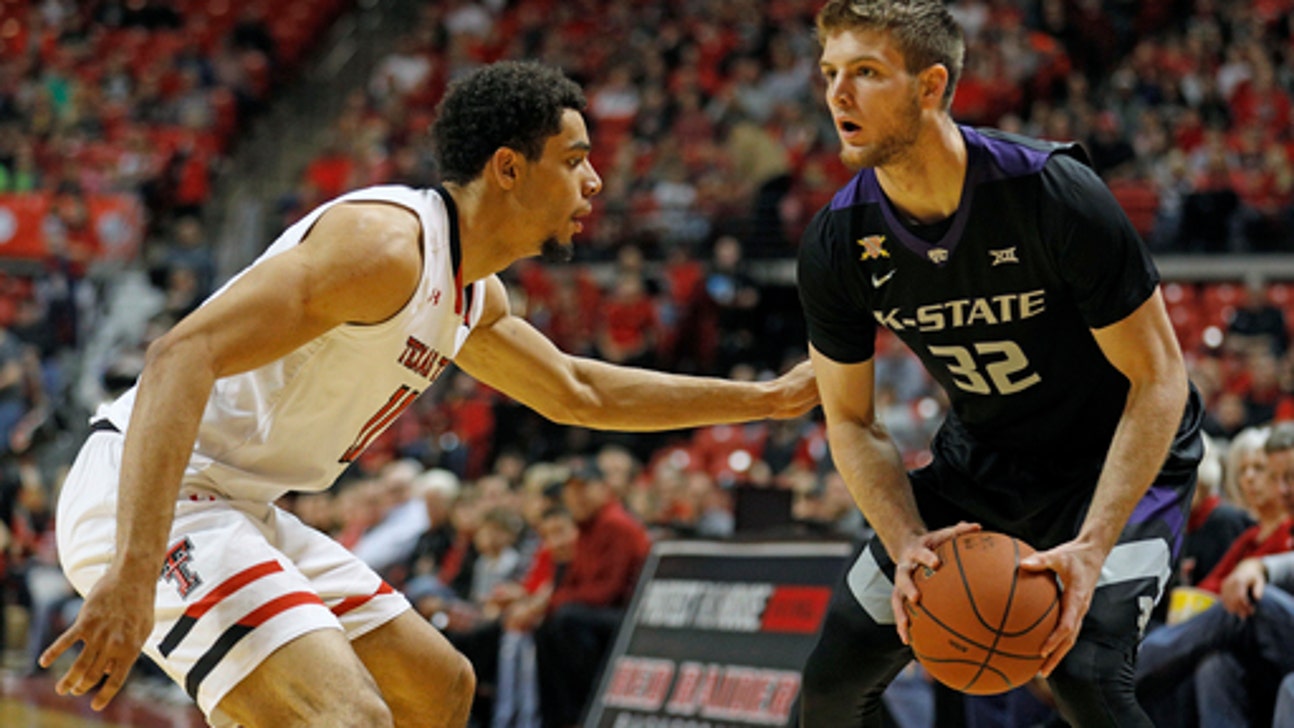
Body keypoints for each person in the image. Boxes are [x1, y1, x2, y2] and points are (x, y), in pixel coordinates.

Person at [41, 61, 818, 728]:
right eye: (575, 159)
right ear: (510, 169)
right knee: (348, 717)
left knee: (437, 688)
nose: (596, 180)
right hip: (151, 495)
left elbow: (580, 391)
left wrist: (770, 399)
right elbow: (179, 355)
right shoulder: (384, 248)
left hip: (244, 507)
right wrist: (135, 570)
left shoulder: (469, 293)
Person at [795, 2, 1203, 727]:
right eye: (830, 73)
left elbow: (1159, 378)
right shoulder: (838, 241)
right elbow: (852, 420)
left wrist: (1092, 543)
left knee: (1084, 672)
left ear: (930, 87)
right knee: (833, 676)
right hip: (984, 462)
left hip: (1115, 460)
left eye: (865, 73)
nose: (838, 95)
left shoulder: (1050, 192)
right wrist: (905, 539)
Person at [1136, 421, 1294, 726]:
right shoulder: (1251, 536)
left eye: (1289, 477)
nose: (1281, 488)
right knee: (1214, 664)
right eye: (1276, 477)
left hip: (1269, 628)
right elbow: (1213, 587)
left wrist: (1259, 567)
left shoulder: (1226, 520)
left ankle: (1125, 668)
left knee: (1252, 600)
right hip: (1260, 641)